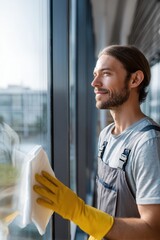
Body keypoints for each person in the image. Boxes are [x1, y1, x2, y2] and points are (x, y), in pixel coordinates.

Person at [33, 45, 160, 239]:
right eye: (94, 74)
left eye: (106, 74)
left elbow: (153, 230)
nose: (94, 82)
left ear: (135, 79)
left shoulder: (147, 143)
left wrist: (79, 212)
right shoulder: (106, 136)